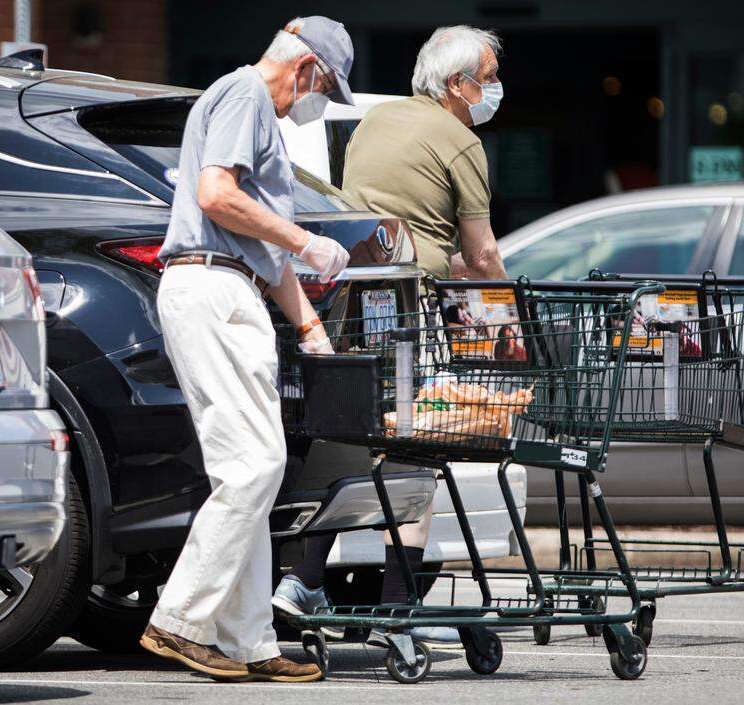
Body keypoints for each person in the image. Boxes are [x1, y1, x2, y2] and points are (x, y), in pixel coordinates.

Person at [273, 25, 508, 651]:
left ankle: (302, 579)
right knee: (417, 445)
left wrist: (443, 261)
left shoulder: (374, 123)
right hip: (410, 309)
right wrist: (510, 314)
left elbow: (399, 222)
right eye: (486, 77)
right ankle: (400, 607)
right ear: (457, 85)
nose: (492, 89)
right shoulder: (461, 141)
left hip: (356, 299)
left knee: (349, 433)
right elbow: (480, 253)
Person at [139, 16, 353, 683]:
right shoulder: (246, 95)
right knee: (255, 467)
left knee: (254, 469)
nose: (314, 105)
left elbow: (257, 241)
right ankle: (179, 620)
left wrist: (311, 327)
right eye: (325, 89)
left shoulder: (250, 107)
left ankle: (250, 640)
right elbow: (216, 194)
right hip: (213, 288)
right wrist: (302, 239)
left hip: (228, 288)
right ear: (308, 68)